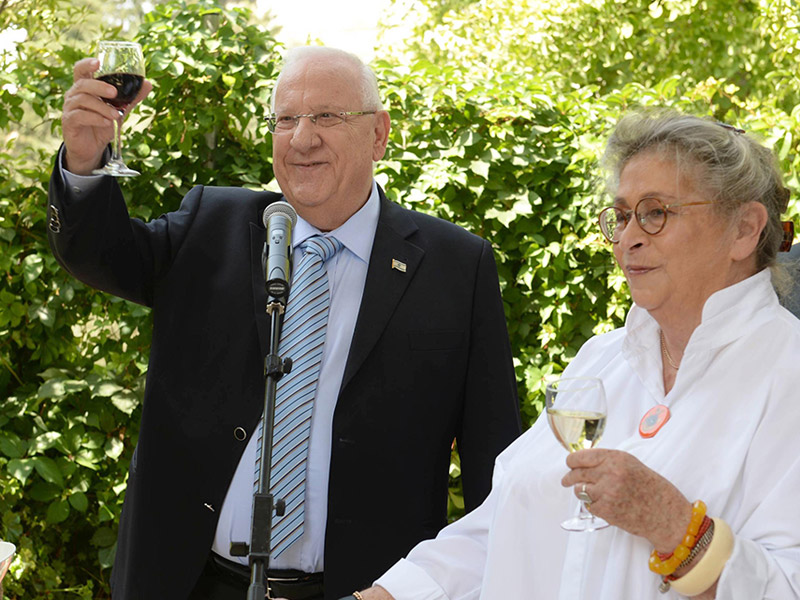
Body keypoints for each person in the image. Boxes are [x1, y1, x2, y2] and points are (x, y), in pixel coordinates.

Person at [47, 46, 521, 600]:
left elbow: (498, 471)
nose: (302, 139)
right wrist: (83, 163)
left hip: (361, 591)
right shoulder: (212, 225)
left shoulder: (455, 268)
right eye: (286, 119)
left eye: (326, 116)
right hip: (186, 582)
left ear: (378, 134)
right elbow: (101, 253)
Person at [348, 110, 800, 600]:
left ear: (745, 229)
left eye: (656, 212)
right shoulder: (600, 359)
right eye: (622, 216)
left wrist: (675, 527)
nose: (629, 238)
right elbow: (501, 528)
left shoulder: (787, 373)